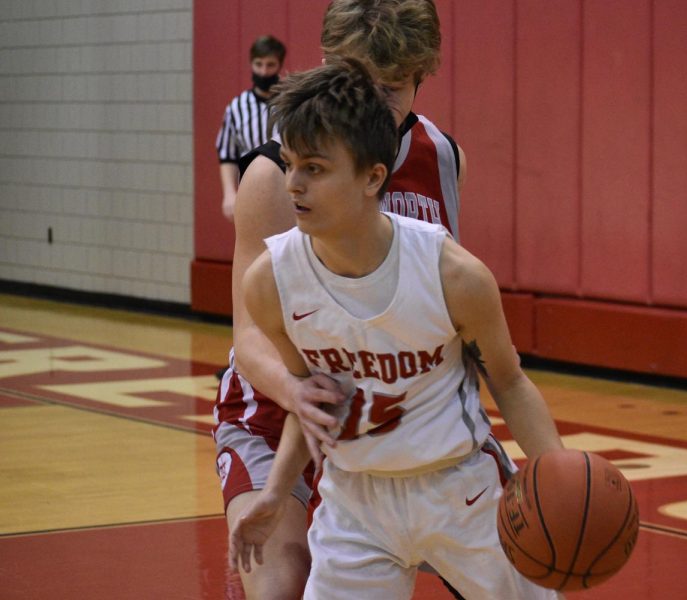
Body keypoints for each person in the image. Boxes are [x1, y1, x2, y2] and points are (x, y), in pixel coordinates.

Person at [235, 58, 564, 600]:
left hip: (458, 489)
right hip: (355, 503)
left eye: (314, 168)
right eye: (290, 164)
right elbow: (312, 402)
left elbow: (509, 381)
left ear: (372, 177)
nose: (292, 184)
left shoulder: (452, 275)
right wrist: (274, 493)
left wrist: (558, 476)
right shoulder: (270, 282)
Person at [213, 2, 467, 597]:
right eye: (361, 82)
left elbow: (451, 308)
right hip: (277, 413)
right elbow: (250, 340)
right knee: (283, 584)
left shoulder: (441, 157)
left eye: (394, 87)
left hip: (384, 416)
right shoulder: (276, 174)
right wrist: (301, 394)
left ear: (421, 77)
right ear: (328, 65)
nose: (377, 103)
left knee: (517, 554)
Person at [216, 34, 287, 221]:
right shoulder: (236, 107)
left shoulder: (292, 102)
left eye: (270, 65)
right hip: (250, 189)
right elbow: (227, 155)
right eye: (258, 64)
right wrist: (229, 193)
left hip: (287, 189)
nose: (263, 72)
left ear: (279, 65)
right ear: (251, 64)